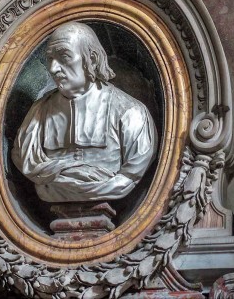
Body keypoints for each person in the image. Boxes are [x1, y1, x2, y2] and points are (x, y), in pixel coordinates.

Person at [11, 22, 157, 202]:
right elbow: (22, 157)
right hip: (50, 193)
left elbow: (130, 175)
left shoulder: (130, 112)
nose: (53, 68)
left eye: (64, 56)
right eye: (50, 58)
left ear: (92, 59)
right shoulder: (38, 113)